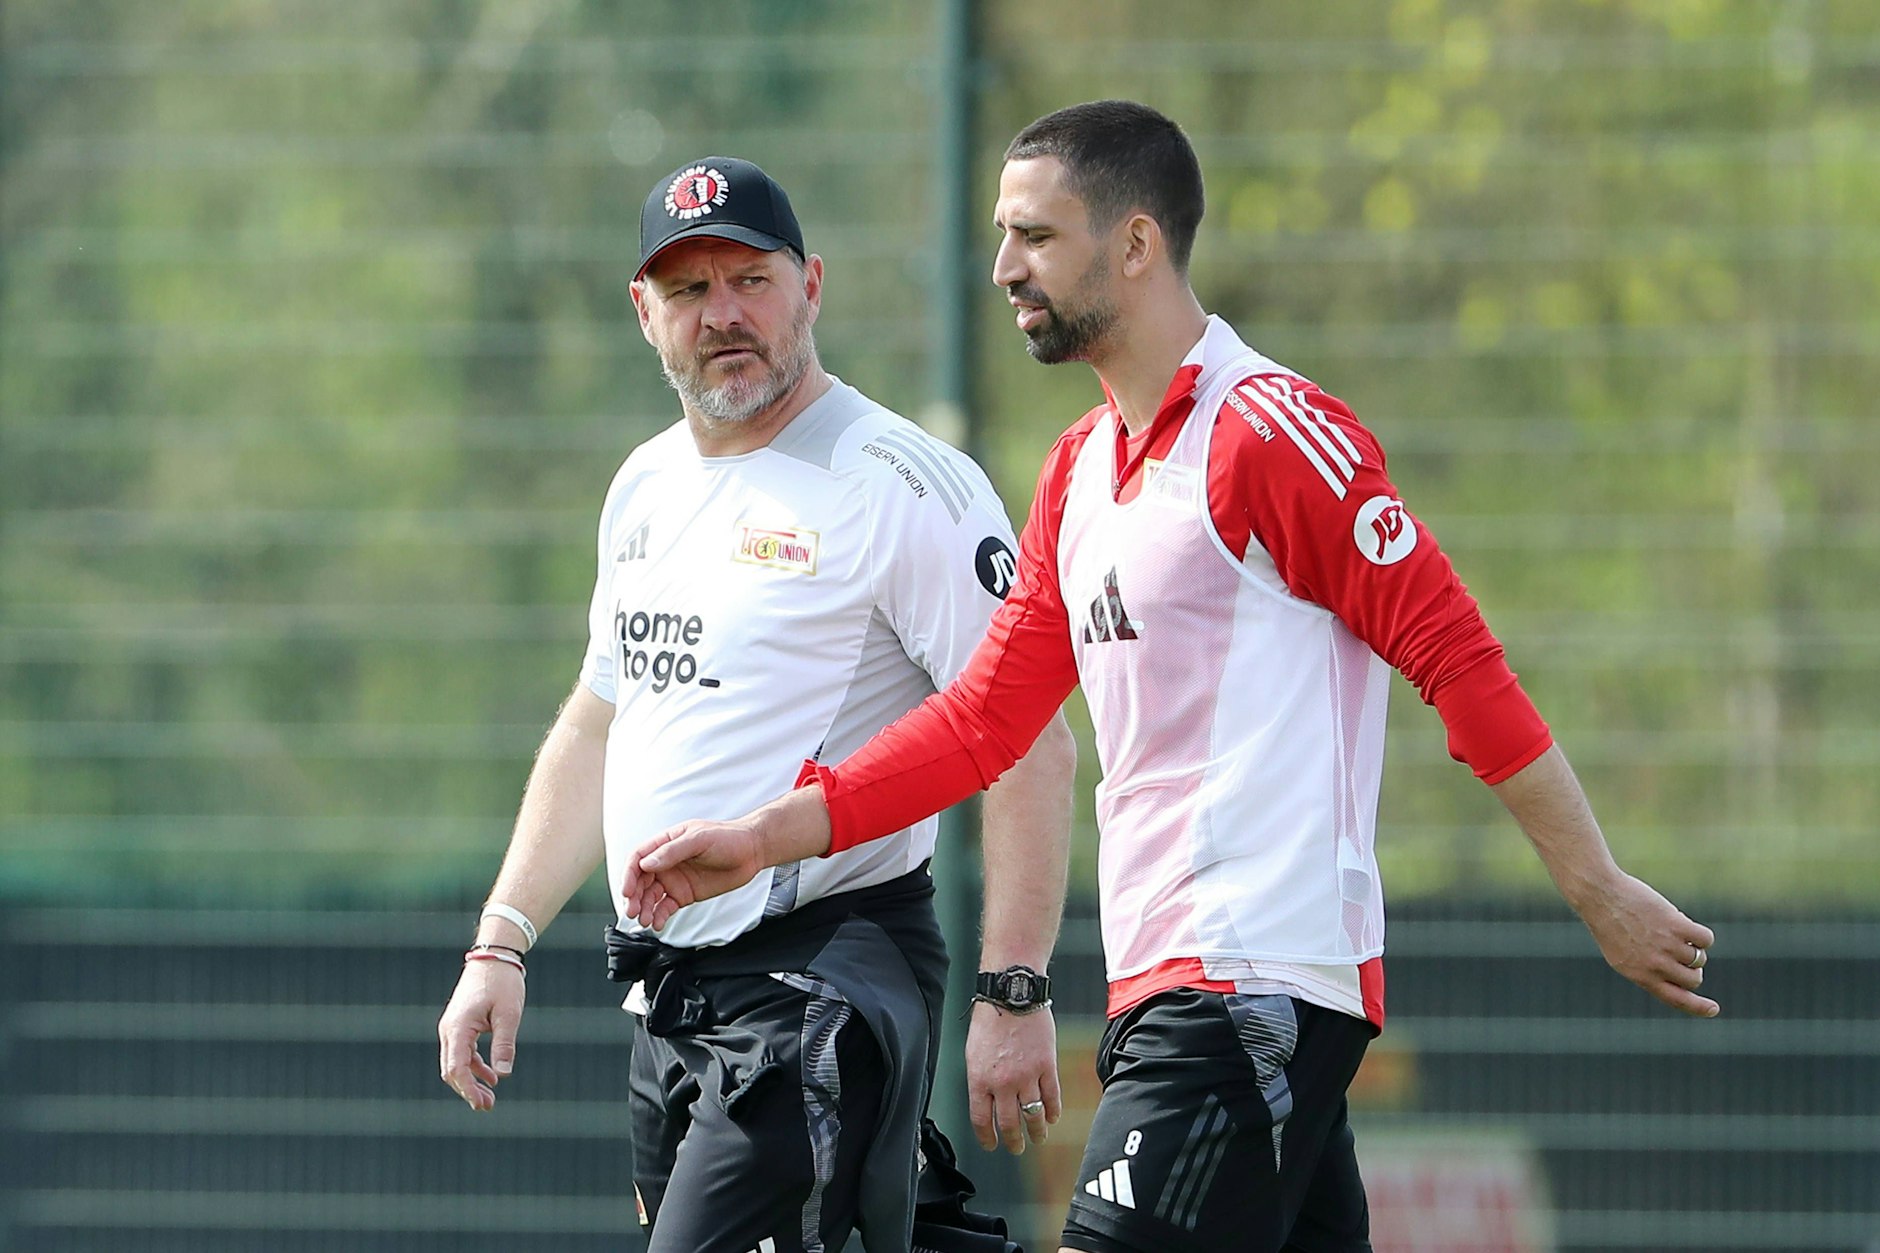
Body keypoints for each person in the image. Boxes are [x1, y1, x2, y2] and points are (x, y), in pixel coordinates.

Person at [619, 103, 1721, 1253]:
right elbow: (981, 722)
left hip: (1247, 982)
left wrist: (1595, 883)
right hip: (1172, 989)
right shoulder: (1076, 470)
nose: (1003, 268)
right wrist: (767, 835)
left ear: (1135, 244)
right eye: (1001, 236)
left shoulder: (1270, 434)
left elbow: (1458, 662)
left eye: (1035, 236)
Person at [437, 154, 1078, 1253]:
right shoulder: (643, 483)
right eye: (688, 289)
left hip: (822, 976)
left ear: (810, 285)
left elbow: (1029, 739)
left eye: (750, 279)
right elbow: (599, 720)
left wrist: (1013, 988)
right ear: (643, 313)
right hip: (673, 993)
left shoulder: (901, 481)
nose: (722, 314)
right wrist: (500, 942)